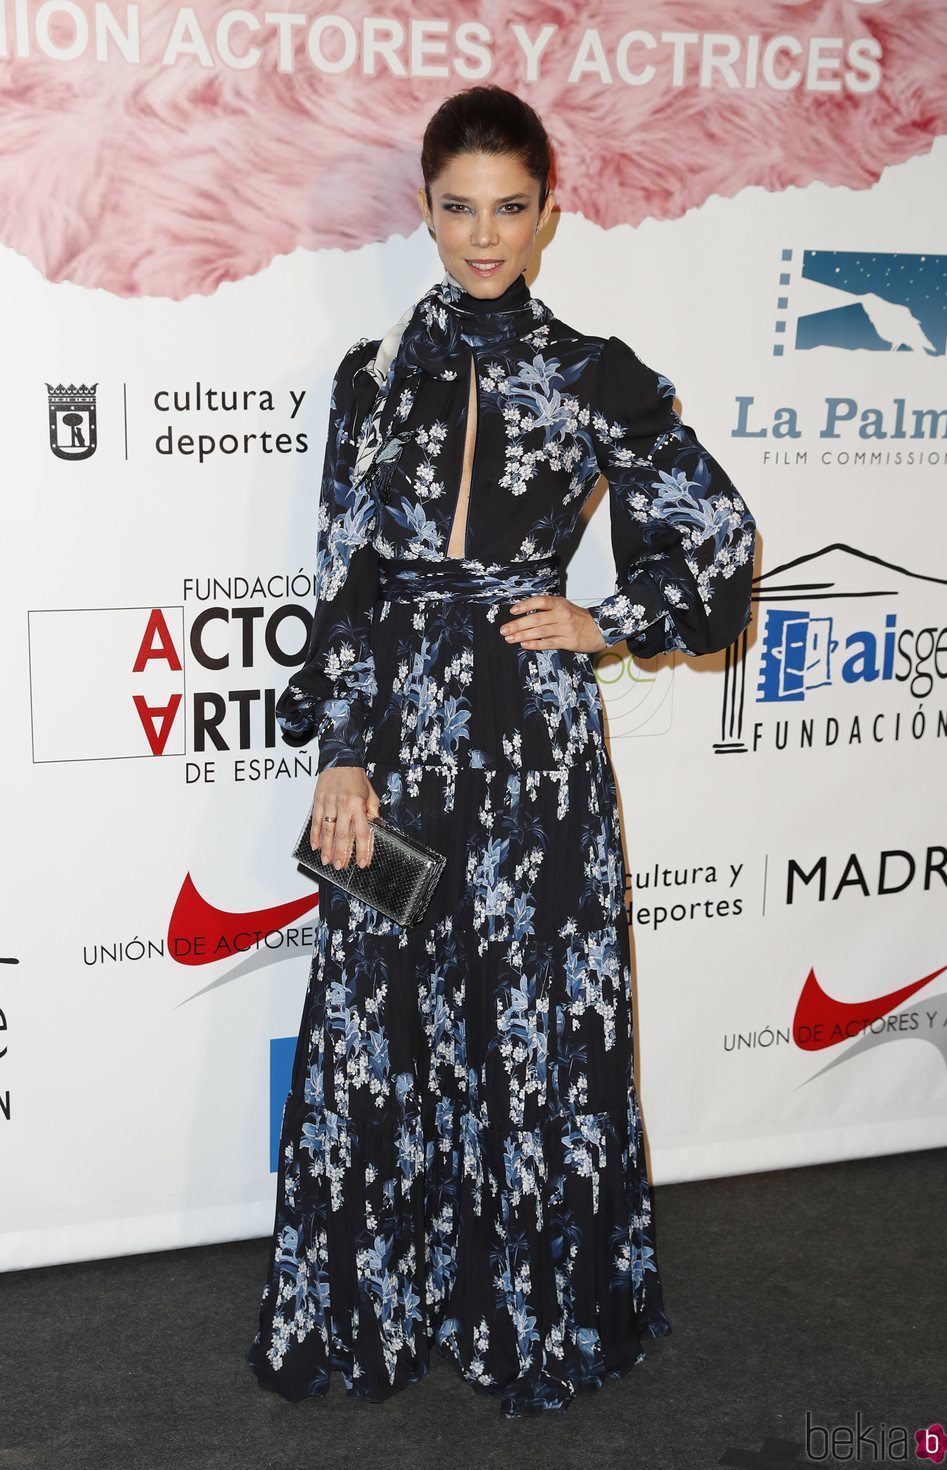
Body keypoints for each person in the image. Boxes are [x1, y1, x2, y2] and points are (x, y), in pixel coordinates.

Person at [245, 84, 756, 1418]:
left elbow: (716, 538)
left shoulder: (597, 374)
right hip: (398, 751)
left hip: (535, 753)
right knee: (379, 1028)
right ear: (423, 209)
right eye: (458, 207)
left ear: (548, 211)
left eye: (510, 207)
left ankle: (530, 1314)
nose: (484, 235)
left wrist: (611, 618)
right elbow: (343, 577)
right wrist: (339, 753)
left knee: (533, 1033)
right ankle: (376, 1309)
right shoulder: (371, 382)